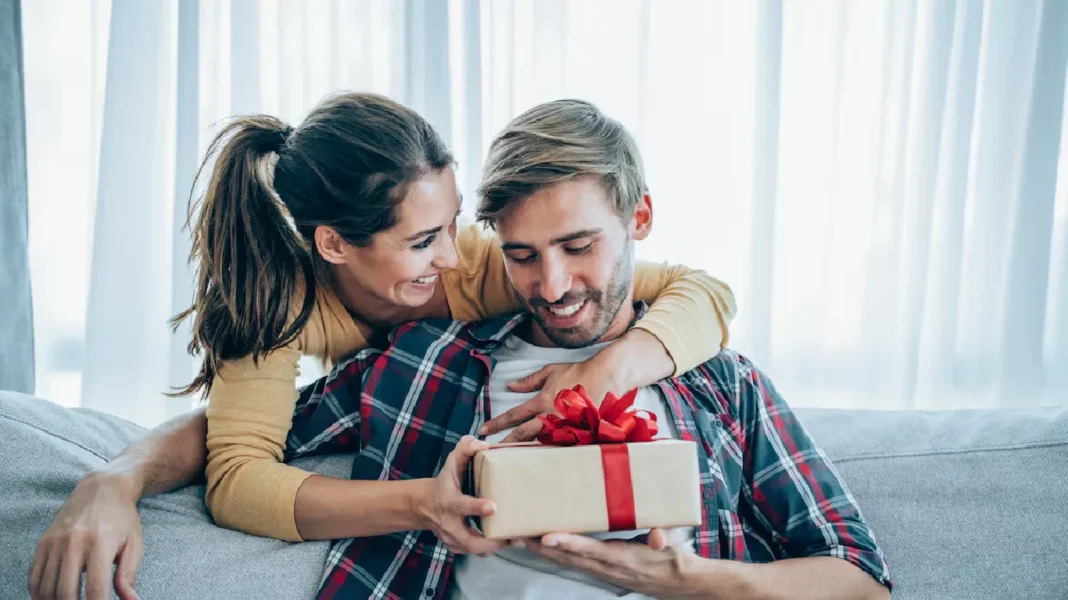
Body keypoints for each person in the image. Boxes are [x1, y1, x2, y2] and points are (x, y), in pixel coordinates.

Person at [28, 93, 736, 600]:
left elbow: (702, 291)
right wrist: (112, 479)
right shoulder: (277, 306)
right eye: (424, 243)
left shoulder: (490, 264)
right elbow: (238, 470)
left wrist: (608, 368)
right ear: (334, 245)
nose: (458, 260)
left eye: (454, 225)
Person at [277, 98, 893, 598]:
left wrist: (686, 580)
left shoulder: (725, 384)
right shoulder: (420, 359)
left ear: (639, 218)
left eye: (578, 247)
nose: (552, 286)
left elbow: (859, 578)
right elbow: (246, 443)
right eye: (521, 256)